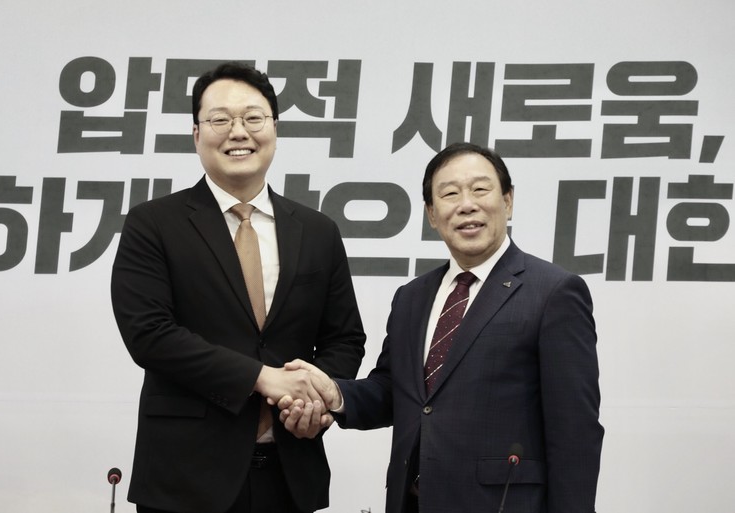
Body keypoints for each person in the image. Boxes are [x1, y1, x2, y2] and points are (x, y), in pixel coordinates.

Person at [281, 143, 604, 513]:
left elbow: (575, 432)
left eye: (480, 189)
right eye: (450, 194)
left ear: (508, 201)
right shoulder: (412, 297)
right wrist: (334, 393)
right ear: (432, 214)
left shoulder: (554, 292)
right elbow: (393, 391)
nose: (466, 204)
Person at [111, 61, 366, 513]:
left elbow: (344, 338)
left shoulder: (318, 230)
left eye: (253, 118)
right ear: (196, 135)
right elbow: (149, 335)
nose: (238, 132)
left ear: (274, 129)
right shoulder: (153, 224)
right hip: (184, 478)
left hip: (290, 474)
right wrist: (262, 378)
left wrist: (315, 401)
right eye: (220, 120)